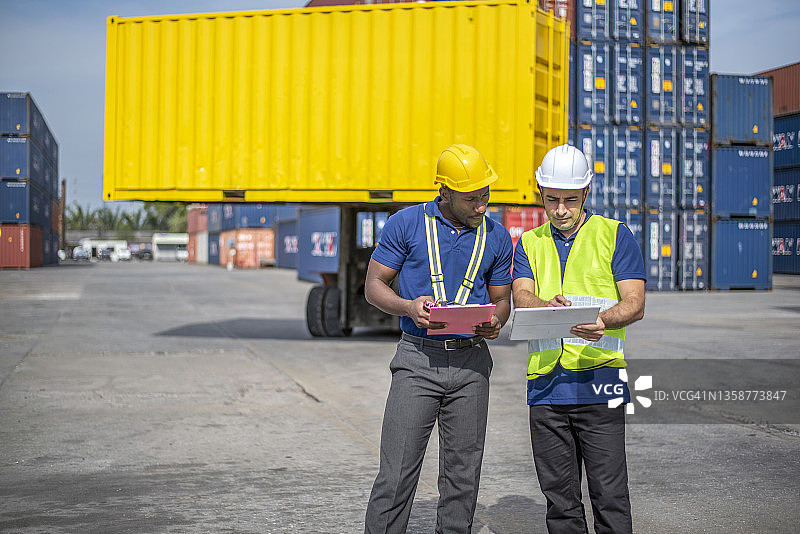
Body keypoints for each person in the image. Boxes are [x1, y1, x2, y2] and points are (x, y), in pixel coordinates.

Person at [363, 144, 513, 534]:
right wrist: (408, 307)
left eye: (485, 195)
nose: (481, 206)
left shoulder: (497, 236)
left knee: (463, 476)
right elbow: (374, 285)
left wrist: (495, 322)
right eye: (471, 198)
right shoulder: (406, 224)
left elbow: (502, 300)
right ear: (444, 191)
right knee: (396, 473)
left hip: (471, 364)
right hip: (417, 360)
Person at [511, 144, 646, 534]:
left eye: (570, 200)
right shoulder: (530, 243)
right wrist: (546, 306)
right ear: (540, 191)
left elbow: (635, 302)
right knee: (560, 503)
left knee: (610, 496)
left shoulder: (614, 235)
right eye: (551, 199)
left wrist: (603, 319)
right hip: (546, 388)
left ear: (586, 192)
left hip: (600, 382)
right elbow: (521, 295)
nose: (560, 210)